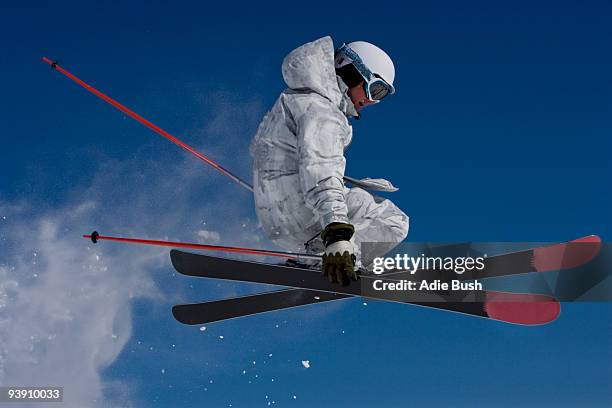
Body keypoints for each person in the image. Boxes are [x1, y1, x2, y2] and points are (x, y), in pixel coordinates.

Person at [250, 36, 409, 286]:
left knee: (363, 202)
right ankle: (336, 256)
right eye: (375, 89)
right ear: (352, 72)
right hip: (307, 217)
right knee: (392, 219)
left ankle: (317, 255)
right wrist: (337, 235)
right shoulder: (323, 112)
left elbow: (264, 152)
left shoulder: (293, 100)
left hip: (278, 213)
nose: (372, 101)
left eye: (382, 96)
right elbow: (321, 172)